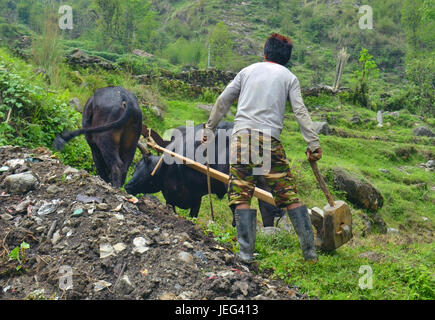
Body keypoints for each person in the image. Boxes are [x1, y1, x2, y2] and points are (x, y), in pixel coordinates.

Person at [202, 33, 322, 263]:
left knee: (242, 194)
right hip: (268, 142)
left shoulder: (247, 71)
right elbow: (300, 111)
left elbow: (223, 100)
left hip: (241, 139)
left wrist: (210, 129)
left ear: (265, 53)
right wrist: (313, 143)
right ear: (286, 59)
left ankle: (246, 255)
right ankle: (309, 253)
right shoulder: (289, 77)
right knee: (288, 194)